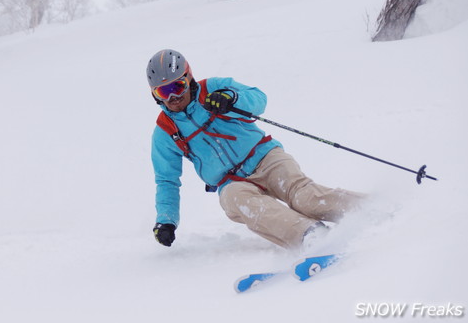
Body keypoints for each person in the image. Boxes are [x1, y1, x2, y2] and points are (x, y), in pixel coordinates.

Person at [146, 49, 364, 250]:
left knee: (304, 197)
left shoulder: (213, 88)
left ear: (189, 78)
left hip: (265, 157)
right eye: (163, 92)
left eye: (177, 87)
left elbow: (259, 99)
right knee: (241, 203)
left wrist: (232, 99)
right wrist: (166, 220)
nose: (172, 97)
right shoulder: (166, 131)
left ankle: (368, 209)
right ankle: (310, 236)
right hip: (231, 182)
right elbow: (167, 180)